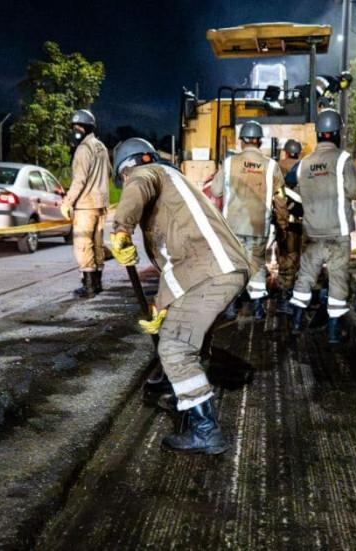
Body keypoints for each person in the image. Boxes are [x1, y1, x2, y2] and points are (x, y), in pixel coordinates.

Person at [108, 138, 251, 455]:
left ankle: (205, 431)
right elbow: (174, 262)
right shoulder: (172, 186)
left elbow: (138, 185)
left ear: (128, 167)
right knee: (188, 342)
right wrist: (160, 307)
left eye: (124, 177)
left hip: (211, 271)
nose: (126, 182)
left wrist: (120, 229)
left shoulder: (148, 173)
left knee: (174, 347)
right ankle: (188, 395)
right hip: (214, 270)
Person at [288, 111, 356, 344]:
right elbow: (354, 191)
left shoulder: (303, 165)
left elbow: (294, 192)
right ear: (337, 134)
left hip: (312, 233)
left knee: (306, 277)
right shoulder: (343, 159)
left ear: (318, 134)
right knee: (338, 280)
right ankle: (332, 333)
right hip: (337, 233)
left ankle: (296, 322)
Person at [210, 120, 286, 320]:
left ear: (242, 141)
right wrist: (283, 222)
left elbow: (216, 190)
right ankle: (259, 308)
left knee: (234, 265)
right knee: (257, 265)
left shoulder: (228, 163)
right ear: (259, 141)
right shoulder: (271, 166)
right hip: (258, 226)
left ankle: (232, 307)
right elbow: (280, 198)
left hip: (232, 226)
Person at [62, 109, 111, 298]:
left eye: (78, 127)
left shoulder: (84, 149)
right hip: (101, 204)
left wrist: (67, 202)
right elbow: (108, 173)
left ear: (86, 128)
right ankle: (97, 284)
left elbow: (79, 180)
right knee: (97, 244)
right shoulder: (101, 147)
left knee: (83, 244)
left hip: (86, 205)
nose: (75, 131)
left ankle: (89, 286)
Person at [275, 139, 305, 315]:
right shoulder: (305, 165)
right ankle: (303, 296)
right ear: (298, 152)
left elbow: (278, 194)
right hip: (306, 221)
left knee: (287, 258)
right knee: (304, 260)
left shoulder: (278, 167)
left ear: (285, 152)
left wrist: (281, 221)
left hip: (288, 221)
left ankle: (285, 298)